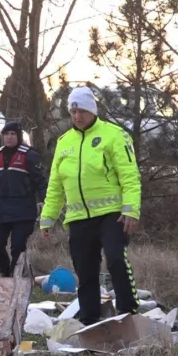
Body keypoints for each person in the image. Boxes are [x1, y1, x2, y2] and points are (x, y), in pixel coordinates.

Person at [40, 86, 142, 326]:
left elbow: (129, 175)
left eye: (82, 111)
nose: (77, 116)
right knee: (85, 270)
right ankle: (90, 320)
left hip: (112, 214)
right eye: (73, 111)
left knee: (116, 259)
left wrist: (131, 209)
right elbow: (55, 185)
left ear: (92, 110)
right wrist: (48, 217)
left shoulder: (114, 135)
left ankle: (129, 312)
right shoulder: (64, 143)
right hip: (78, 217)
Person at [0, 121, 47, 277]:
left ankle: (15, 277)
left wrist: (45, 202)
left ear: (19, 136)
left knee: (18, 247)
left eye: (13, 134)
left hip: (23, 209)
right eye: (6, 134)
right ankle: (5, 272)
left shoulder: (30, 155)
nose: (9, 137)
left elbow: (41, 182)